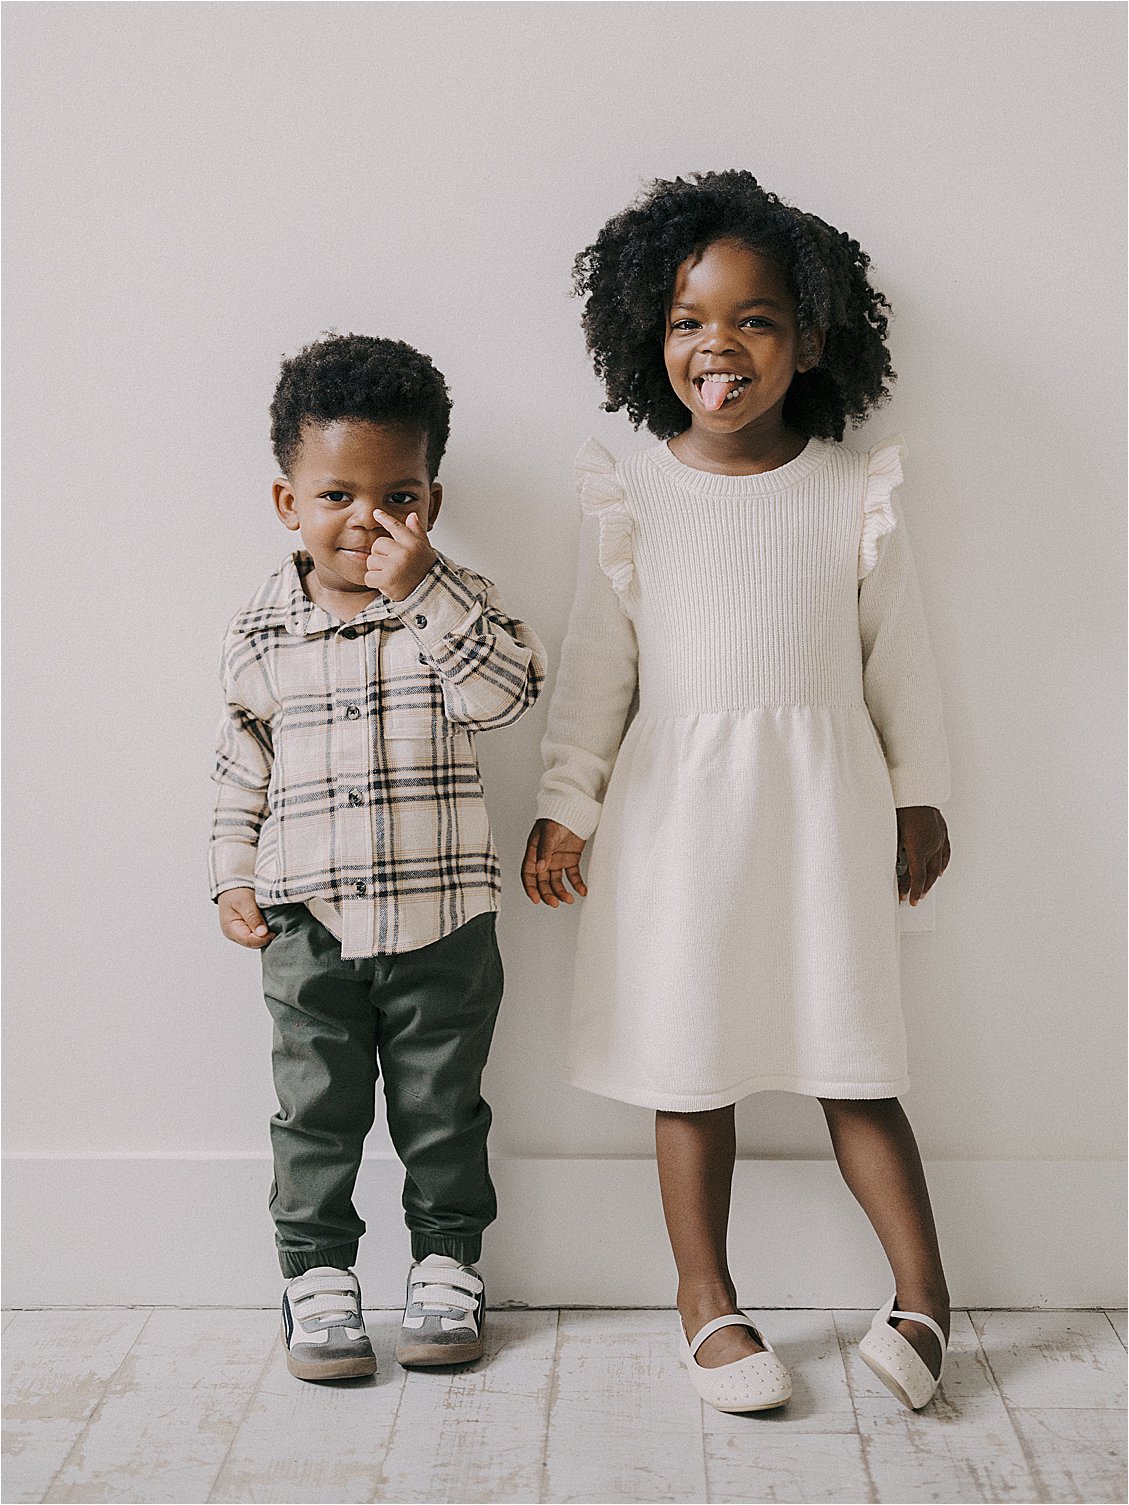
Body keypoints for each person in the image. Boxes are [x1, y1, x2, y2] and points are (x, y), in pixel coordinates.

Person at [524, 172, 952, 1415]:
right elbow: (598, 675)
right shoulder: (632, 495)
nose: (716, 345)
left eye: (754, 318)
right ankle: (704, 1297)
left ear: (810, 337)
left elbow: (901, 661)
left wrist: (919, 792)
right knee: (689, 1060)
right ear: (645, 339)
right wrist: (569, 800)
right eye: (684, 320)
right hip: (678, 823)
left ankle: (923, 1292)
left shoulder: (850, 488)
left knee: (854, 1055)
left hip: (822, 813)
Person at [210, 333, 545, 1381]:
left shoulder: (461, 601)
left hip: (442, 917)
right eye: (336, 495)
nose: (367, 521)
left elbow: (503, 697)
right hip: (306, 920)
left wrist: (427, 589)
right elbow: (238, 762)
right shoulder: (262, 630)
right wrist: (230, 871)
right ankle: (318, 1278)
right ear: (288, 503)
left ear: (429, 503)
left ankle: (447, 1264)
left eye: (396, 496)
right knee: (315, 1107)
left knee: (443, 1108)